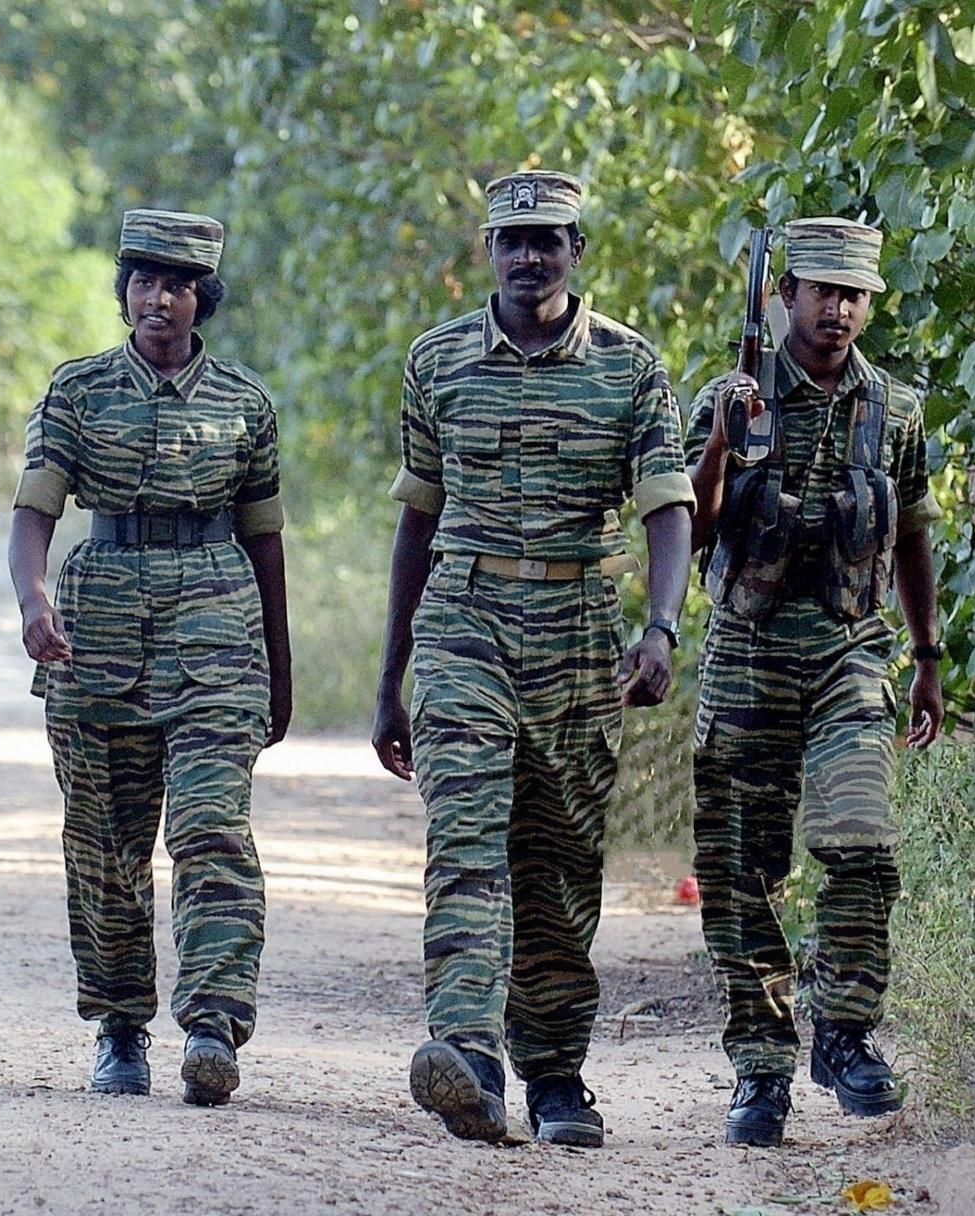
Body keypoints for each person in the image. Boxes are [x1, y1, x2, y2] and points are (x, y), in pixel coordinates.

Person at [371, 170, 694, 1147]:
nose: (527, 256)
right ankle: (466, 1053)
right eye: (510, 240)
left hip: (576, 631)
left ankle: (554, 1073)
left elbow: (667, 506)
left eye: (546, 239)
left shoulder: (629, 366)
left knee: (557, 861)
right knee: (466, 837)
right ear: (487, 250)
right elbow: (417, 520)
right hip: (462, 620)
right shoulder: (435, 361)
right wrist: (390, 680)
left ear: (574, 250)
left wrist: (660, 628)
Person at [7, 210, 292, 1106]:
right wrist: (33, 599)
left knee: (213, 831)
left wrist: (279, 671)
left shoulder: (245, 402)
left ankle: (213, 1026)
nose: (157, 299)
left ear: (203, 298)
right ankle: (120, 1026)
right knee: (106, 844)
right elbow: (35, 510)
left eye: (177, 285)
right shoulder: (79, 390)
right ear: (124, 289)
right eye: (143, 281)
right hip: (97, 639)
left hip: (217, 636)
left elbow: (265, 540)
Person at [685, 217, 946, 1148]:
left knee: (863, 842)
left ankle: (845, 1031)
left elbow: (909, 532)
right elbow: (692, 525)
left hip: (850, 651)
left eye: (855, 295)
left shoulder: (895, 408)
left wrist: (927, 657)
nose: (838, 310)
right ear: (785, 293)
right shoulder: (732, 394)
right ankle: (761, 1067)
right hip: (748, 650)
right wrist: (723, 444)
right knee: (742, 866)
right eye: (823, 291)